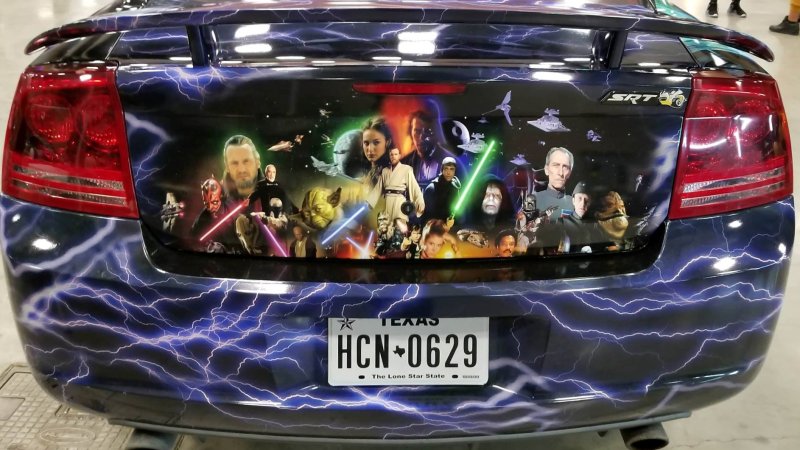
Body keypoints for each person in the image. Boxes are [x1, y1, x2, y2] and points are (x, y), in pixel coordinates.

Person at [368, 147, 425, 224]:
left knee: (399, 226)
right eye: (391, 154)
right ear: (389, 156)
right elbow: (378, 188)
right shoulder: (385, 171)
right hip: (388, 202)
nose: (393, 156)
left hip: (399, 202)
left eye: (395, 154)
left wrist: (420, 201)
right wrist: (370, 202)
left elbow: (414, 187)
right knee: (387, 226)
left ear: (399, 156)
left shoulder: (406, 169)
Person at [401, 110, 455, 188]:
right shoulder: (404, 164)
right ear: (411, 132)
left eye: (427, 132)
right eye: (417, 131)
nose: (421, 137)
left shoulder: (453, 163)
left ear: (436, 133)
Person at [559, 181, 602, 253]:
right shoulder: (562, 222)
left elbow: (602, 247)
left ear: (590, 202)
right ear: (573, 201)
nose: (582, 204)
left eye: (586, 200)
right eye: (579, 198)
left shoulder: (595, 224)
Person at [222, 135, 264, 203]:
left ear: (258, 162)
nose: (242, 170)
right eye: (234, 163)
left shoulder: (275, 197)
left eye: (246, 161)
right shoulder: (216, 204)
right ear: (227, 167)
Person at [536, 147, 574, 214]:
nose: (561, 173)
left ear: (569, 173)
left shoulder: (576, 205)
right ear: (546, 170)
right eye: (556, 165)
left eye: (565, 167)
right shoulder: (533, 201)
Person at [422, 157, 460, 223]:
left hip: (450, 225)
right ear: (442, 170)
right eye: (446, 168)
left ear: (455, 171)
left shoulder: (455, 187)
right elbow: (426, 214)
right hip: (434, 225)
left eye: (452, 169)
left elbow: (456, 211)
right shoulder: (432, 188)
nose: (448, 172)